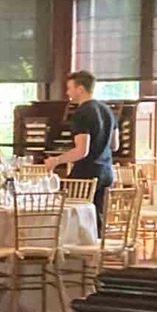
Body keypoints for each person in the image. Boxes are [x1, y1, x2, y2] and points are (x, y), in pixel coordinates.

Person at [43, 70, 116, 231]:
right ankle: (96, 250)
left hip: (87, 174)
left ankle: (72, 252)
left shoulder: (82, 112)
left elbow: (82, 151)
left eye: (70, 88)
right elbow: (114, 145)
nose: (68, 92)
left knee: (69, 214)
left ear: (80, 89)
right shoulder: (107, 110)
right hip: (107, 172)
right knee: (97, 218)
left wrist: (56, 160)